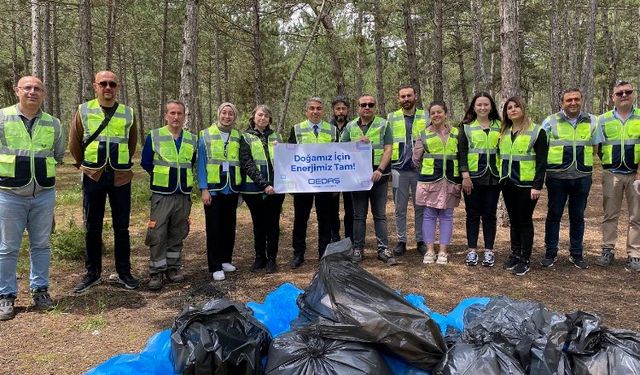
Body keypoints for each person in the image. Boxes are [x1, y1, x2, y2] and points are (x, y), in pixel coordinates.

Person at [0, 76, 64, 321]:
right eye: (27, 88)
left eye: (37, 88)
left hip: (43, 194)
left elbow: (57, 155)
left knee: (41, 245)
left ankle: (40, 290)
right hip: (9, 195)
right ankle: (5, 295)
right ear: (17, 91)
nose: (32, 92)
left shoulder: (53, 123)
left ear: (44, 93)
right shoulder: (3, 117)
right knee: (7, 247)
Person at [69, 71, 140, 293]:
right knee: (92, 226)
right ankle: (92, 273)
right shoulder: (84, 110)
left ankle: (124, 272)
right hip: (93, 175)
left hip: (120, 176)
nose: (108, 87)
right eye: (103, 83)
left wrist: (121, 163)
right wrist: (85, 164)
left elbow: (131, 142)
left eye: (112, 84)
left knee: (122, 226)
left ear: (117, 87)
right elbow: (74, 142)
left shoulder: (128, 113)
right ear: (95, 86)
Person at [540, 88, 601, 270]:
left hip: (582, 177)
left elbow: (597, 147)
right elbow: (542, 148)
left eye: (576, 99)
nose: (573, 103)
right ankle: (551, 253)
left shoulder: (592, 121)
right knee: (554, 215)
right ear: (562, 102)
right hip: (557, 177)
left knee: (578, 216)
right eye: (569, 100)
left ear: (581, 100)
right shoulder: (550, 121)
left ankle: (576, 254)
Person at [140, 100, 196, 290]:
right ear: (165, 115)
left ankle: (173, 268)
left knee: (177, 232)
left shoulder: (191, 138)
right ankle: (156, 271)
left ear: (184, 116)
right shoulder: (154, 136)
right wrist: (162, 177)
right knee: (157, 232)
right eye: (172, 113)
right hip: (162, 194)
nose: (176, 117)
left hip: (183, 194)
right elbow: (146, 162)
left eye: (180, 113)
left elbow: (192, 162)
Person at [340, 95, 396, 265]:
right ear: (358, 107)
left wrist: (380, 169)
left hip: (379, 176)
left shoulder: (384, 124)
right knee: (358, 216)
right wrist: (356, 142)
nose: (367, 107)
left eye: (371, 104)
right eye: (363, 104)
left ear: (375, 106)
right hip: (357, 178)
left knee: (380, 215)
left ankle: (383, 249)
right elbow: (341, 149)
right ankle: (358, 249)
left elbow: (388, 149)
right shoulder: (350, 127)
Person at [498, 96, 548, 276]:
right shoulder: (504, 132)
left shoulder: (537, 131)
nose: (512, 110)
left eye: (516, 106)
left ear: (523, 109)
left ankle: (525, 258)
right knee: (514, 220)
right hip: (508, 182)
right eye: (509, 108)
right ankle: (515, 254)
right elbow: (500, 157)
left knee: (524, 220)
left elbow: (542, 161)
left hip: (527, 185)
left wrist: (537, 185)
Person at [595, 81, 640, 272]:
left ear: (633, 94)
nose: (623, 95)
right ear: (612, 97)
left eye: (627, 92)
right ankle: (607, 249)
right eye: (619, 93)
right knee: (610, 214)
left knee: (636, 217)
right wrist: (608, 165)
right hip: (611, 173)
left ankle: (634, 254)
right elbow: (598, 147)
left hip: (636, 174)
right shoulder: (603, 120)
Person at [288, 97, 336, 268]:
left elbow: (338, 157)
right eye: (312, 108)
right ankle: (298, 254)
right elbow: (290, 156)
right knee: (300, 219)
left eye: (318, 108)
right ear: (306, 111)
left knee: (325, 219)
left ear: (323, 111)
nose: (315, 111)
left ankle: (323, 254)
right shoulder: (296, 129)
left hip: (325, 183)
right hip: (303, 183)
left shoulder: (332, 130)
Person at [412, 101, 461, 265]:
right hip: (430, 181)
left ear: (445, 113)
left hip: (450, 180)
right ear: (430, 116)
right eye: (433, 113)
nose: (436, 115)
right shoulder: (423, 134)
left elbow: (461, 156)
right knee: (429, 215)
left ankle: (443, 252)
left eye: (439, 112)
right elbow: (416, 159)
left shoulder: (456, 133)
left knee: (447, 216)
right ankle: (430, 250)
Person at [198, 103, 241, 281]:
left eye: (231, 113)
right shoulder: (205, 134)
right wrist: (204, 188)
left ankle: (225, 259)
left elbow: (242, 162)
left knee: (229, 226)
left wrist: (241, 190)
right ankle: (215, 265)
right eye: (224, 113)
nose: (227, 116)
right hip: (213, 189)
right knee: (214, 228)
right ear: (219, 114)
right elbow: (200, 163)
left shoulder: (239, 136)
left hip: (231, 188)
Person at [239, 105, 285, 274]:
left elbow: (283, 162)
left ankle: (272, 259)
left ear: (270, 119)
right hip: (253, 190)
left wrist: (274, 184)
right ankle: (260, 258)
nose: (263, 118)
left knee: (273, 224)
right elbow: (247, 163)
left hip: (276, 189)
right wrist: (264, 184)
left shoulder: (277, 137)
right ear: (254, 117)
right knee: (258, 224)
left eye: (266, 115)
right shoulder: (245, 137)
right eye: (260, 115)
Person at [458, 92, 502, 267]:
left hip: (494, 177)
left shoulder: (500, 125)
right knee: (472, 214)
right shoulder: (466, 126)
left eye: (486, 104)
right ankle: (472, 250)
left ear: (491, 106)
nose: (483, 108)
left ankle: (489, 251)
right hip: (473, 178)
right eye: (479, 105)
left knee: (490, 215)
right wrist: (465, 176)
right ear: (473, 107)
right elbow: (461, 152)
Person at [388, 85, 428, 256]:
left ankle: (421, 240)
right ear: (398, 98)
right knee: (400, 208)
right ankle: (401, 240)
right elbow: (387, 143)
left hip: (421, 168)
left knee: (421, 207)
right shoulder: (391, 117)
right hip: (398, 169)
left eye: (409, 96)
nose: (406, 99)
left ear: (415, 96)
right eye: (403, 96)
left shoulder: (425, 116)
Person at [328, 96, 353, 242]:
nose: (341, 112)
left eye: (343, 109)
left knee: (350, 209)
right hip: (331, 175)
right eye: (338, 109)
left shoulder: (353, 126)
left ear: (347, 110)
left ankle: (350, 236)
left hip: (349, 174)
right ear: (333, 110)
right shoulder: (327, 128)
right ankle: (334, 236)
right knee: (332, 209)